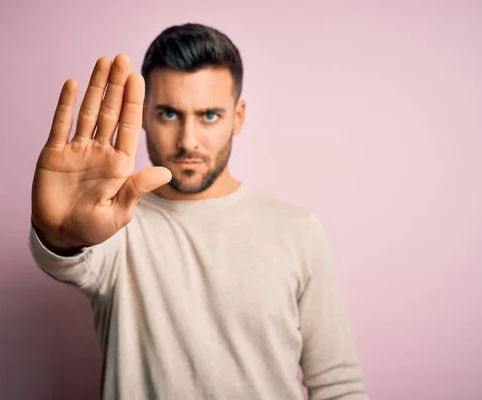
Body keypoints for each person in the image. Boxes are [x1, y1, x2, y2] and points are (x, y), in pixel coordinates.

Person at [29, 22, 367, 400]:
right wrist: (59, 234)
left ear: (238, 117)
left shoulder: (298, 231)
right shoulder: (117, 226)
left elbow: (337, 386)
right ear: (143, 115)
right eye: (169, 114)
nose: (188, 141)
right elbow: (72, 258)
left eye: (209, 116)